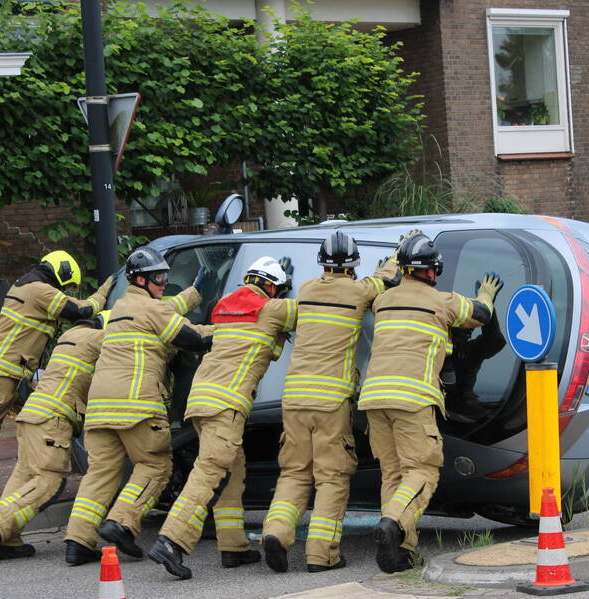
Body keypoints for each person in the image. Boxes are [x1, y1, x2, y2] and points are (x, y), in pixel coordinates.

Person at [260, 231, 405, 574]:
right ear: (353, 265)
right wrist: (399, 252)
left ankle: (276, 533)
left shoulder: (307, 290)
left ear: (322, 264)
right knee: (331, 476)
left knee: (294, 473)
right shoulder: (358, 291)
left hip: (294, 398)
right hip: (329, 400)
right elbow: (387, 279)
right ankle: (322, 555)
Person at [358, 234, 502, 573]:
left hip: (374, 399)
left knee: (393, 475)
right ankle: (392, 522)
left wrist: (396, 254)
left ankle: (400, 551)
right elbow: (479, 314)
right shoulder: (443, 302)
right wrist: (486, 293)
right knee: (421, 471)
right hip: (412, 399)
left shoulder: (383, 301)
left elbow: (389, 278)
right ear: (434, 270)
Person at [147, 256, 297, 580]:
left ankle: (233, 548)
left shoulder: (227, 309)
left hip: (201, 401)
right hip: (226, 404)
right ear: (271, 286)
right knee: (209, 473)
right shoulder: (271, 310)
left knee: (232, 471)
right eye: (278, 289)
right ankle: (171, 541)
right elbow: (313, 314)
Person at [63, 246, 212, 566]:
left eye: (165, 276)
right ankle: (122, 522)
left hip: (100, 407)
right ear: (141, 280)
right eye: (158, 278)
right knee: (155, 465)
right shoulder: (153, 310)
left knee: (100, 474)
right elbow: (191, 337)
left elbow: (165, 309)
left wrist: (194, 293)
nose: (163, 282)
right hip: (136, 405)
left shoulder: (121, 309)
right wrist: (230, 331)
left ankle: (77, 540)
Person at [0, 250, 112, 517]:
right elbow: (78, 311)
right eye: (65, 286)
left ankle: (36, 482)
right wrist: (103, 293)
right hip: (2, 375)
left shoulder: (29, 285)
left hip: (11, 374)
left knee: (38, 422)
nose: (63, 291)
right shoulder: (39, 290)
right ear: (60, 274)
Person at [0, 312, 108, 562]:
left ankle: (5, 539)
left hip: (31, 414)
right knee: (49, 480)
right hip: (53, 420)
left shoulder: (71, 335)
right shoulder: (101, 339)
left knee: (24, 477)